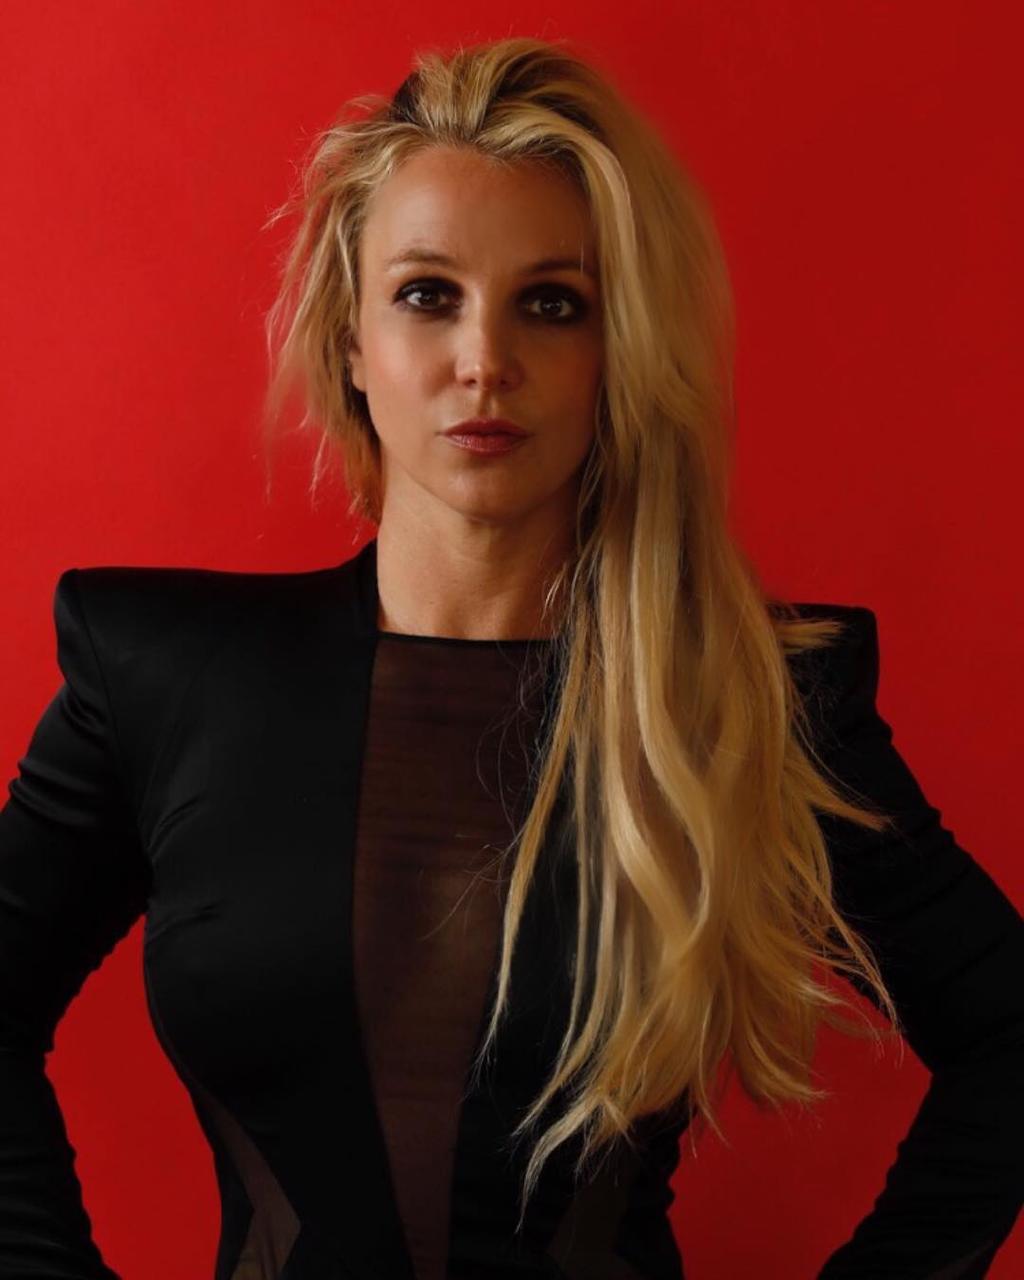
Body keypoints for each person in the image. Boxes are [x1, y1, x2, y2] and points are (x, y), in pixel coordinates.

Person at [1, 33, 1021, 1280]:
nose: (485, 359)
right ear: (351, 340)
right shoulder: (160, 676)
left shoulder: (744, 695)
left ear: (618, 350)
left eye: (552, 303)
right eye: (427, 294)